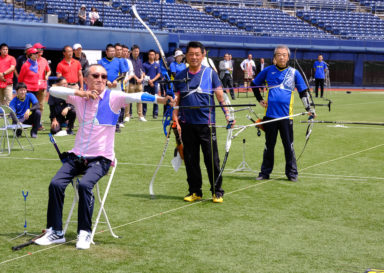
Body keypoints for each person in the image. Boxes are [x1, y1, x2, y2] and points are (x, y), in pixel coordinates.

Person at [34, 64, 173, 250]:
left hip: (101, 159)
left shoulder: (113, 96)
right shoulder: (78, 96)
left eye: (103, 76)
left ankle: (84, 232)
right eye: (96, 75)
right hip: (77, 156)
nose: (100, 79)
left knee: (84, 185)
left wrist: (162, 99)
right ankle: (55, 232)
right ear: (86, 78)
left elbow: (136, 96)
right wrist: (81, 94)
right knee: (56, 184)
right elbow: (52, 89)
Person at [173, 41, 234, 203]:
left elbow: (221, 97)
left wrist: (228, 116)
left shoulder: (210, 74)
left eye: (197, 54)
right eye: (191, 54)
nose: (194, 57)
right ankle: (195, 191)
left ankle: (217, 191)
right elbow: (176, 100)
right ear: (186, 56)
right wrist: (175, 119)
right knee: (191, 159)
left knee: (211, 159)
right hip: (186, 124)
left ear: (203, 55)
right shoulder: (180, 76)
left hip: (207, 124)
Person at [251, 45, 316, 182]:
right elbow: (254, 84)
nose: (281, 57)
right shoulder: (268, 71)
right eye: (278, 54)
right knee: (269, 146)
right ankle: (264, 173)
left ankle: (292, 174)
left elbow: (303, 92)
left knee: (288, 146)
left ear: (288, 57)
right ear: (274, 57)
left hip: (286, 117)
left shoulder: (294, 73)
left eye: (284, 54)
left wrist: (309, 109)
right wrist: (260, 100)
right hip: (270, 116)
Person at [97, 44, 127, 132]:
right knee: (104, 104)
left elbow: (123, 74)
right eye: (111, 51)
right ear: (106, 52)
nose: (113, 53)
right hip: (104, 86)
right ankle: (103, 123)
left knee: (117, 105)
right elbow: (98, 74)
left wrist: (116, 81)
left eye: (114, 51)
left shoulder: (119, 61)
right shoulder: (101, 62)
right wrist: (106, 81)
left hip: (116, 86)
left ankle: (116, 124)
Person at [127, 45, 146, 122]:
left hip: (139, 83)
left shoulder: (140, 60)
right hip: (131, 83)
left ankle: (140, 115)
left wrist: (141, 78)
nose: (136, 52)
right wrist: (137, 78)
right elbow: (130, 72)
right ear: (131, 51)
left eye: (137, 51)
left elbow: (143, 71)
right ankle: (127, 115)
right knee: (128, 100)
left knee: (140, 100)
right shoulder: (129, 60)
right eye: (134, 51)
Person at [33, 43, 51, 117]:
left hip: (42, 86)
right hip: (32, 86)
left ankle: (38, 122)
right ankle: (30, 121)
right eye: (40, 49)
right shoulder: (31, 60)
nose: (41, 50)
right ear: (35, 50)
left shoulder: (44, 60)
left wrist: (47, 75)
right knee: (32, 104)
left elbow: (49, 70)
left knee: (41, 105)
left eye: (42, 49)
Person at [142, 49, 161, 119]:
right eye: (150, 54)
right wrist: (149, 81)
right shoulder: (144, 64)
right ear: (148, 55)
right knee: (145, 99)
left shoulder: (157, 65)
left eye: (153, 54)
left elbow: (158, 74)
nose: (151, 56)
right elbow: (143, 74)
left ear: (155, 55)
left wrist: (152, 81)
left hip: (155, 84)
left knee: (155, 99)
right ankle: (143, 114)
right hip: (147, 84)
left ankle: (155, 114)